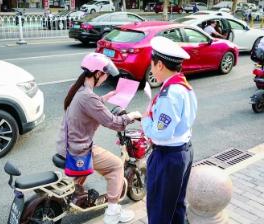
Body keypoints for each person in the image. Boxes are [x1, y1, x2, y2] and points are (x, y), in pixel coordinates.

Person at [56, 53, 142, 224]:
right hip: (78, 150)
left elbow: (89, 106)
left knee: (101, 158)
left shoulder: (79, 90)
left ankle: (77, 192)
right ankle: (112, 213)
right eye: (105, 74)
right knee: (116, 166)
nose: (105, 78)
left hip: (65, 145)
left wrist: (104, 98)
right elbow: (114, 123)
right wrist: (131, 116)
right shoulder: (88, 97)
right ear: (97, 73)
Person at [141, 36, 198, 224]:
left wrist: (146, 119)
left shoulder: (169, 94)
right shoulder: (183, 85)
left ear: (159, 65)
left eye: (151, 64)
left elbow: (161, 133)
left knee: (159, 210)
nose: (151, 68)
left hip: (168, 157)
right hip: (184, 151)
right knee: (176, 206)